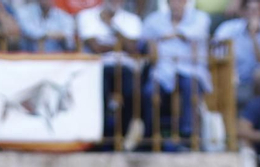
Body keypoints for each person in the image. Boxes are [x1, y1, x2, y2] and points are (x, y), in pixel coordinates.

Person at [142, 0, 211, 148]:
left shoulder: (200, 17)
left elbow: (195, 33)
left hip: (191, 70)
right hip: (163, 71)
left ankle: (188, 137)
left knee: (190, 87)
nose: (176, 4)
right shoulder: (154, 20)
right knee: (149, 92)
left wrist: (167, 36)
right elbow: (146, 39)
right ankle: (150, 137)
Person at [80, 0, 144, 145]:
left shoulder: (132, 19)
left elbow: (132, 48)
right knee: (97, 95)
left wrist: (112, 26)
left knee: (132, 93)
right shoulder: (87, 16)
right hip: (98, 67)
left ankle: (120, 137)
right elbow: (95, 47)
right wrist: (120, 44)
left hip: (125, 67)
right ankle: (99, 138)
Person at [216, 0, 260, 97]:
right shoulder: (228, 28)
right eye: (249, 10)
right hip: (234, 76)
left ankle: (258, 106)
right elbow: (216, 52)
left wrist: (253, 36)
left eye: (256, 11)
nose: (252, 14)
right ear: (243, 12)